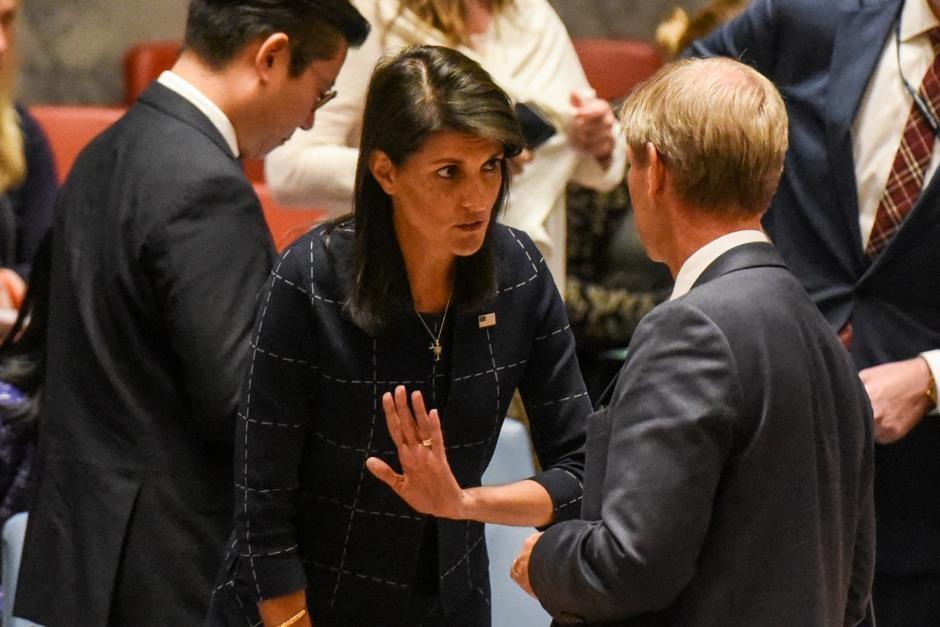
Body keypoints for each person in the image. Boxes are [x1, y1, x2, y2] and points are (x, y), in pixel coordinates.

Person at [14, 1, 369, 625]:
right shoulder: (205, 186)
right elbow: (245, 406)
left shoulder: (104, 153)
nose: (312, 118)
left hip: (82, 556)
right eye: (320, 89)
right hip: (173, 572)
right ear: (271, 57)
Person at [208, 45, 589, 627]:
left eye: (491, 166)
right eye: (448, 173)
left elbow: (583, 470)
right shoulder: (308, 280)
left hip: (450, 604)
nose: (477, 198)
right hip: (304, 604)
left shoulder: (519, 274)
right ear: (385, 171)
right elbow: (261, 504)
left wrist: (464, 504)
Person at [509, 57, 876, 626]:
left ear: (653, 169)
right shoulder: (821, 333)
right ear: (772, 175)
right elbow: (852, 587)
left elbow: (630, 565)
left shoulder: (690, 329)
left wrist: (547, 558)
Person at [689, 1, 940, 623]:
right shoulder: (813, 12)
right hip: (765, 417)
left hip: (922, 486)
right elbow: (677, 108)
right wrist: (738, 259)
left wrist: (933, 377)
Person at [263, 0, 626, 291]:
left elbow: (594, 166)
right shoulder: (377, 13)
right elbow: (289, 168)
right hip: (398, 282)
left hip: (522, 276)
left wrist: (597, 140)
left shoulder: (532, 15)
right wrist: (430, 169)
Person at [0, 0, 57, 335]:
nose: (2, 44)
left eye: (7, 20)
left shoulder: (20, 133)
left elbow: (48, 260)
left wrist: (14, 279)